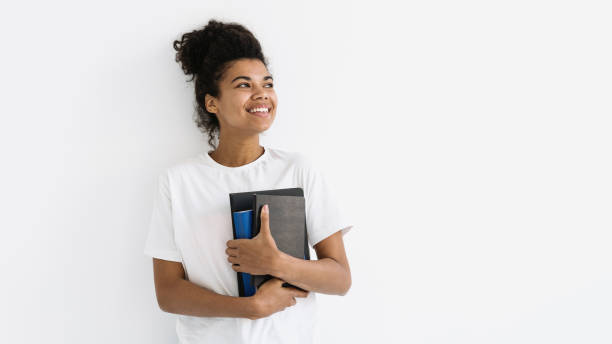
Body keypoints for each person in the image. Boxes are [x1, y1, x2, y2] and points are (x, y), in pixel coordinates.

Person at [144, 19, 354, 344]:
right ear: (212, 102)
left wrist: (276, 263)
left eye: (267, 84)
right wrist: (249, 308)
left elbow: (340, 280)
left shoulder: (298, 170)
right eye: (244, 85)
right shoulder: (178, 182)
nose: (262, 95)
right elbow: (168, 293)